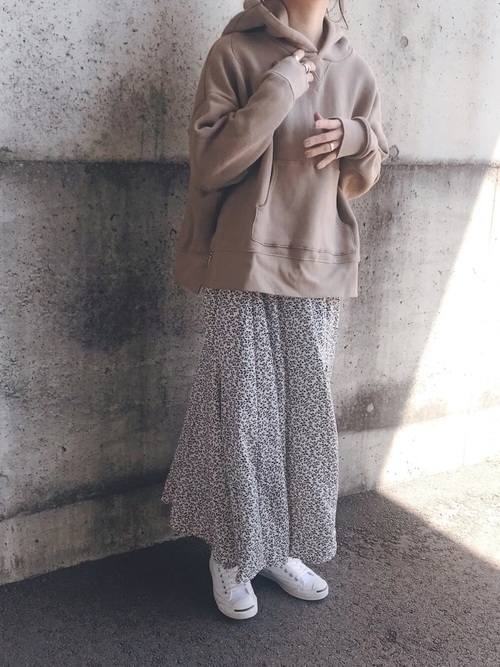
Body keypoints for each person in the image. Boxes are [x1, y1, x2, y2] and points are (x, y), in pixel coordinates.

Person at [161, 0, 388, 620]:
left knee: (302, 420)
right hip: (242, 262)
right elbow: (211, 163)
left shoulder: (355, 69)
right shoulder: (235, 52)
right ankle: (235, 550)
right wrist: (280, 87)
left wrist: (357, 137)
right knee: (240, 413)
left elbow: (365, 168)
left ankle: (278, 546)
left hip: (318, 264)